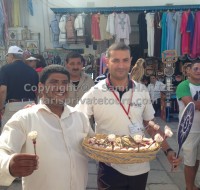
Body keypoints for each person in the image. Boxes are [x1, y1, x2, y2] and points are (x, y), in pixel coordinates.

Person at [76, 42, 182, 190]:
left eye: (125, 60)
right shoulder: (95, 92)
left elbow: (150, 125)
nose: (121, 65)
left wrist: (168, 150)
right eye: (116, 60)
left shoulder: (141, 90)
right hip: (109, 166)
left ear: (131, 61)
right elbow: (75, 118)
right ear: (107, 62)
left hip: (140, 165)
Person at [0, 65, 94, 190]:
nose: (60, 87)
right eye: (54, 82)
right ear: (41, 87)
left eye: (64, 83)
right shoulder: (25, 118)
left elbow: (94, 145)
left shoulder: (80, 117)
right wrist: (9, 165)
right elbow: (3, 149)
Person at [0, 46, 39, 130]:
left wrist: (1, 107)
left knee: (9, 135)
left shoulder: (5, 69)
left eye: (7, 56)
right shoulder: (32, 71)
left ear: (11, 56)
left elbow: (3, 90)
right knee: (29, 135)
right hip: (31, 106)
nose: (7, 58)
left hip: (13, 106)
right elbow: (37, 91)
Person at [176, 60, 200, 190]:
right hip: (188, 130)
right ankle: (189, 187)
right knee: (189, 161)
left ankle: (193, 185)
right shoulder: (183, 86)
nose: (198, 71)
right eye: (195, 68)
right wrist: (196, 104)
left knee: (197, 159)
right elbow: (191, 105)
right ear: (188, 71)